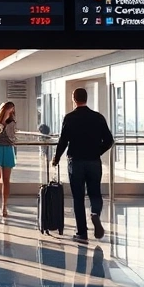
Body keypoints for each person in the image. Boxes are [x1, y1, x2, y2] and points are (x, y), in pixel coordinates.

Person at [52, 88, 114, 243]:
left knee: (78, 197)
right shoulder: (98, 117)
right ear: (87, 98)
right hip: (93, 161)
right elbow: (109, 140)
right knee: (95, 192)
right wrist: (97, 151)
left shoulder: (70, 118)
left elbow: (63, 141)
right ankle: (95, 214)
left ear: (74, 99)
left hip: (76, 162)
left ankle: (82, 232)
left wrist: (56, 158)